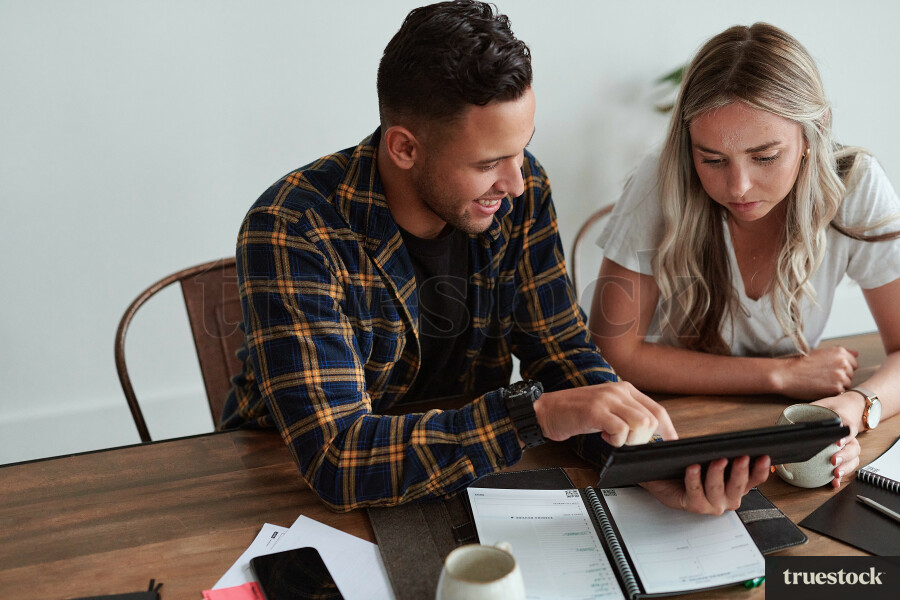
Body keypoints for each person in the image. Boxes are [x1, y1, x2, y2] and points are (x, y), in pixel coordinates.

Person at [221, 1, 768, 513]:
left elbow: (559, 350)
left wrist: (636, 457)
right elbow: (338, 457)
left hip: (468, 472)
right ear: (404, 148)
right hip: (285, 492)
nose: (516, 182)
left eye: (521, 147)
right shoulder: (294, 226)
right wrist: (530, 416)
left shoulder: (517, 192)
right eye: (488, 163)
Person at [591, 22, 900, 489]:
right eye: (712, 160)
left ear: (811, 136)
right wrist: (779, 377)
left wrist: (857, 406)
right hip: (674, 425)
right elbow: (612, 350)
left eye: (765, 156)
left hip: (786, 426)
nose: (737, 187)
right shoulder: (662, 179)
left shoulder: (854, 184)